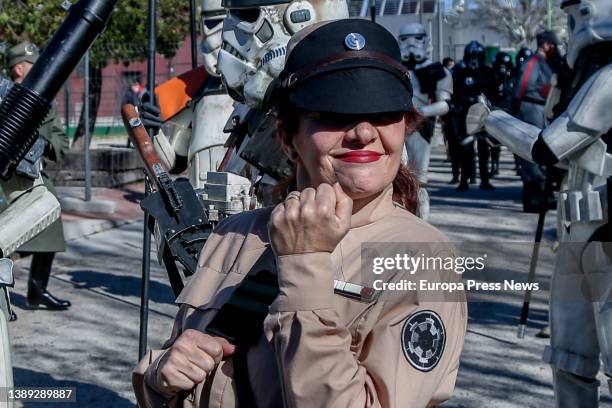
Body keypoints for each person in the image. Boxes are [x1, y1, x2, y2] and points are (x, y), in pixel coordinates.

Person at [133, 19, 467, 407]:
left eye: (383, 112)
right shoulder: (236, 233)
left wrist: (304, 264)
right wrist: (158, 376)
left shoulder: (421, 258)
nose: (362, 132)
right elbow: (186, 378)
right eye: (334, 113)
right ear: (287, 138)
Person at [467, 0, 612, 404]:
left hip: (602, 237)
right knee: (569, 357)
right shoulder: (591, 75)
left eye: (573, 16)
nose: (568, 28)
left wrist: (490, 119)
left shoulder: (609, 79)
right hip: (579, 234)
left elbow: (547, 147)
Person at [4, 41, 71, 310]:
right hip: (4, 181)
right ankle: (4, 297)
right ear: (19, 68)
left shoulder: (45, 102)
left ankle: (37, 289)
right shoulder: (3, 96)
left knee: (49, 223)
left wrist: (35, 141)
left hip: (33, 176)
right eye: (33, 65)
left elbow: (60, 142)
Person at [397, 23, 453, 220]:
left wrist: (419, 112)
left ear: (426, 40)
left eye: (417, 38)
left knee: (419, 181)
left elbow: (444, 104)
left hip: (420, 129)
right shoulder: (393, 67)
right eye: (405, 39)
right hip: (393, 126)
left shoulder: (437, 70)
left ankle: (421, 223)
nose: (411, 44)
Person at [513, 31, 560, 212]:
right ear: (546, 45)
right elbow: (522, 87)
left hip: (542, 110)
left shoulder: (544, 63)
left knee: (543, 155)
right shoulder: (533, 63)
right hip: (531, 108)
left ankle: (543, 196)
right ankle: (532, 200)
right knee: (532, 153)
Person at [451, 41, 497, 191]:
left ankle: (485, 180)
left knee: (484, 148)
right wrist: (468, 100)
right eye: (471, 56)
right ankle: (465, 180)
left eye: (477, 56)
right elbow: (455, 95)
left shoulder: (488, 73)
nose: (474, 59)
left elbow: (493, 93)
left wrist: (487, 102)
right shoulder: (461, 73)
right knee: (466, 148)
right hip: (466, 115)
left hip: (483, 116)